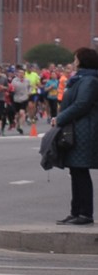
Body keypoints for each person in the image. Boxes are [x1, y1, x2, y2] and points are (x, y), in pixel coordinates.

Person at [52, 48, 98, 226]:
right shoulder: (81, 79)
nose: (73, 61)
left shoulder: (90, 80)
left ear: (83, 60)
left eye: (75, 58)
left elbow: (82, 104)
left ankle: (85, 213)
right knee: (75, 170)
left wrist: (60, 118)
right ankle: (75, 211)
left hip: (84, 130)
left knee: (80, 170)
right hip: (77, 128)